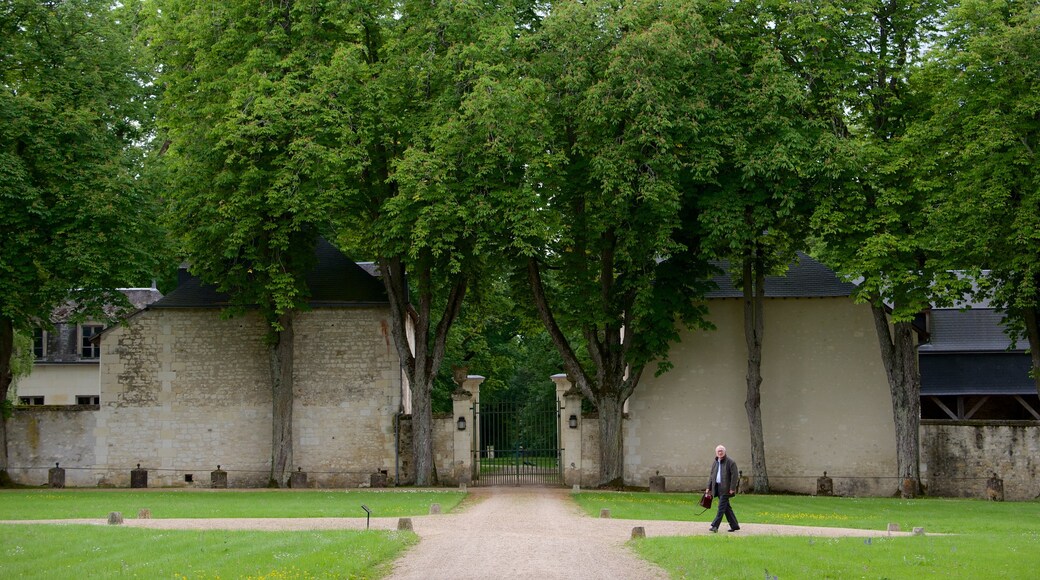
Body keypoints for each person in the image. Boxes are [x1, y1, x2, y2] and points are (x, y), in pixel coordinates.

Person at [706, 444, 740, 532]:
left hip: (726, 488)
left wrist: (732, 488)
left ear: (724, 452)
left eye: (721, 451)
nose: (720, 452)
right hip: (717, 487)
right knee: (726, 508)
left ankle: (715, 526)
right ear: (716, 453)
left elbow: (735, 476)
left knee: (721, 507)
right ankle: (734, 525)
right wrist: (708, 487)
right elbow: (712, 476)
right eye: (718, 451)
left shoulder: (730, 462)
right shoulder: (715, 462)